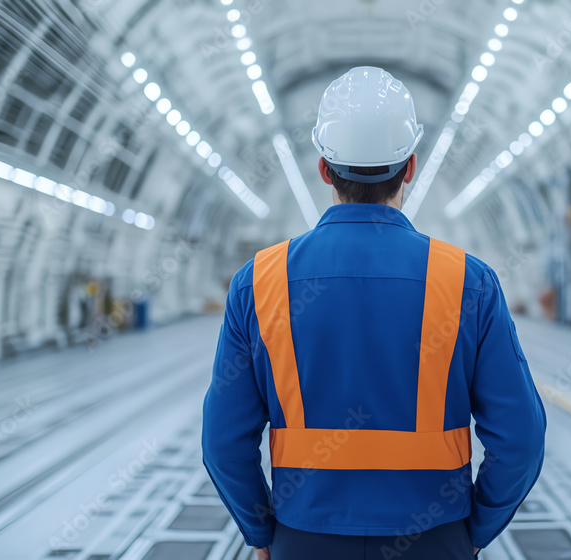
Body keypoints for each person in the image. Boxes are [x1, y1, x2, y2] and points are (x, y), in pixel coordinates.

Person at [202, 66, 546, 560]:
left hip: (303, 539)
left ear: (323, 168)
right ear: (410, 167)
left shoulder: (258, 282)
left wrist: (261, 534)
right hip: (434, 538)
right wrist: (475, 529)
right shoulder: (468, 281)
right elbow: (522, 438)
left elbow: (222, 442)